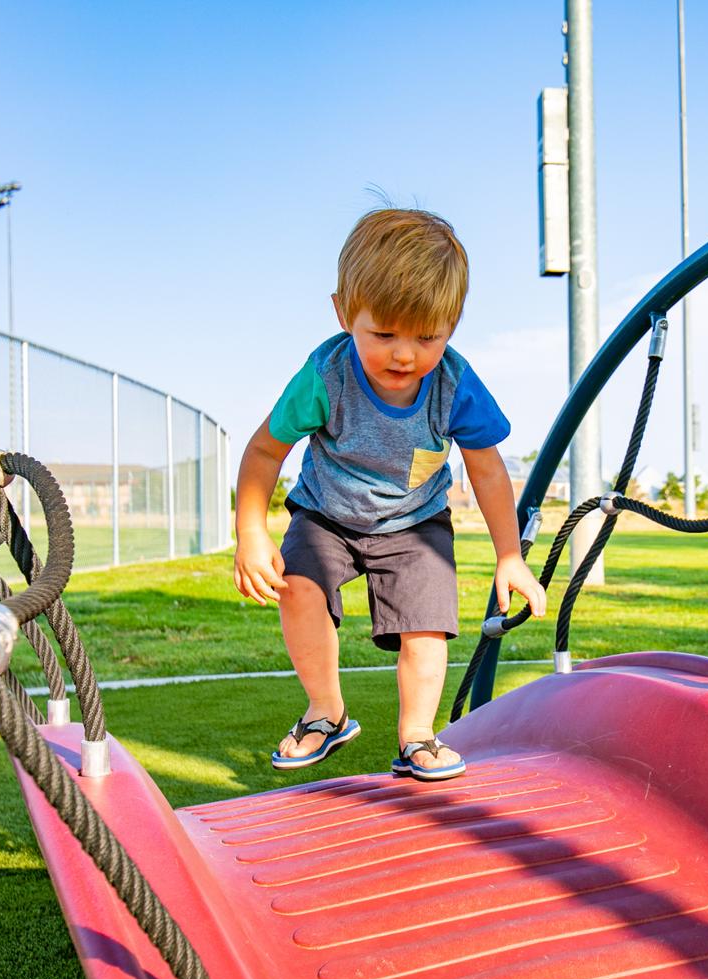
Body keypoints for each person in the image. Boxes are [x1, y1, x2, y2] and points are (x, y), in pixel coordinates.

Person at [232, 208, 545, 781]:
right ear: (344, 314)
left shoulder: (453, 384)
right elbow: (263, 453)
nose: (405, 355)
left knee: (426, 626)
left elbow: (489, 471)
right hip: (327, 513)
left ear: (452, 324)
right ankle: (325, 713)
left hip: (415, 523)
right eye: (384, 335)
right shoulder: (325, 378)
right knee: (299, 587)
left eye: (428, 337)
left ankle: (417, 737)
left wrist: (509, 557)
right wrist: (251, 533)